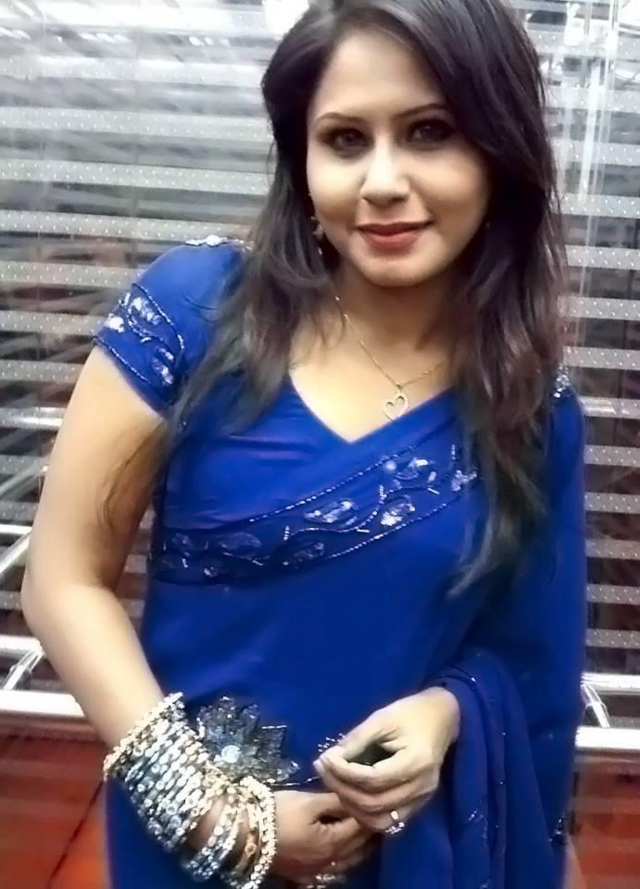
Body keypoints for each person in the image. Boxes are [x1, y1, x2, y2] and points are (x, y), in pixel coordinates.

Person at [20, 1, 587, 887]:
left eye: (430, 132)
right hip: (186, 848)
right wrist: (213, 818)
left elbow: (525, 658)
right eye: (345, 140)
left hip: (406, 854)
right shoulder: (197, 313)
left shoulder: (529, 408)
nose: (382, 181)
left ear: (498, 151)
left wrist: (445, 716)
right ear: (303, 160)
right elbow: (62, 579)